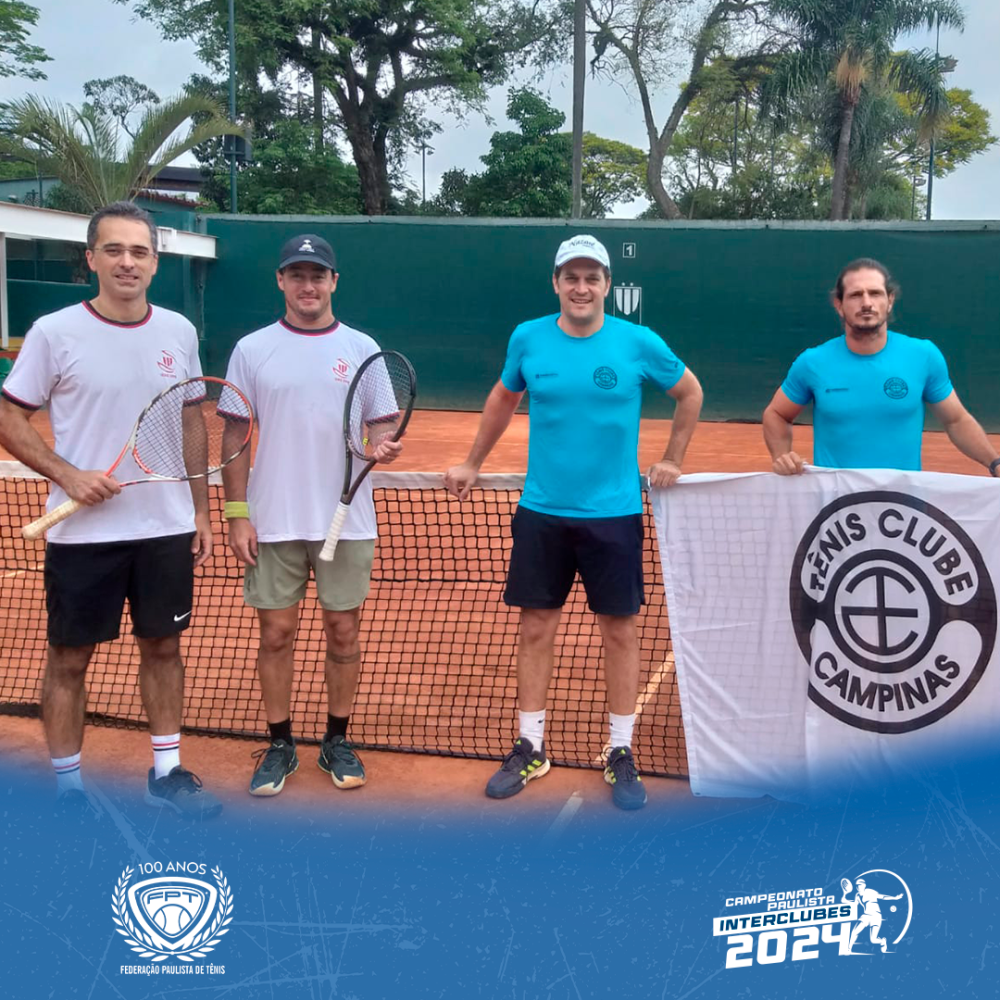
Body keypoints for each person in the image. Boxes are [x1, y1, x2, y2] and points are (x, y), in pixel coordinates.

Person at [444, 234, 703, 810]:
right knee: (536, 628)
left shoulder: (638, 342)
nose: (581, 287)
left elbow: (690, 393)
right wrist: (472, 461)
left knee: (620, 632)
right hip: (543, 512)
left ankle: (620, 750)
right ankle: (531, 745)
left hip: (615, 515)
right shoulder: (528, 337)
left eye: (591, 278)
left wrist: (673, 458)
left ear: (607, 284)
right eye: (571, 277)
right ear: (556, 283)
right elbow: (503, 398)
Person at [0, 202, 221, 820]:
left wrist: (201, 511)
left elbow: (190, 420)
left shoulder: (179, 332)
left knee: (164, 649)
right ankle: (69, 788)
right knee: (69, 658)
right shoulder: (54, 332)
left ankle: (167, 773)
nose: (128, 261)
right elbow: (9, 415)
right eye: (114, 250)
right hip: (82, 535)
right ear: (91, 258)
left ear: (155, 263)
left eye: (139, 251)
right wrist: (68, 474)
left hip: (166, 529)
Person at [222, 234, 402, 798]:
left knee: (343, 631)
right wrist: (236, 513)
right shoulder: (251, 349)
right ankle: (280, 743)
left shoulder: (363, 348)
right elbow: (235, 436)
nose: (308, 285)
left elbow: (381, 425)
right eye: (297, 274)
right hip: (273, 517)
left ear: (333, 282)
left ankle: (336, 740)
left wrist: (380, 446)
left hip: (346, 519)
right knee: (275, 634)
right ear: (280, 280)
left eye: (317, 275)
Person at [763, 258, 1000, 476]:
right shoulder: (812, 362)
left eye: (875, 293)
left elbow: (956, 420)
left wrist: (995, 462)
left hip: (903, 501)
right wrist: (782, 456)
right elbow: (777, 414)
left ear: (890, 300)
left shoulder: (924, 356)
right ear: (839, 305)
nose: (866, 303)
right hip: (836, 503)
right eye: (855, 295)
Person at [846, 878, 903, 954]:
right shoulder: (857, 895)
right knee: (854, 932)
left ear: (864, 885)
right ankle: (848, 949)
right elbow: (855, 904)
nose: (858, 887)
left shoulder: (870, 892)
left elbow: (882, 896)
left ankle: (882, 941)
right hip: (865, 916)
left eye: (860, 885)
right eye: (857, 885)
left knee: (873, 940)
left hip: (876, 916)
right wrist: (845, 900)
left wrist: (894, 898)